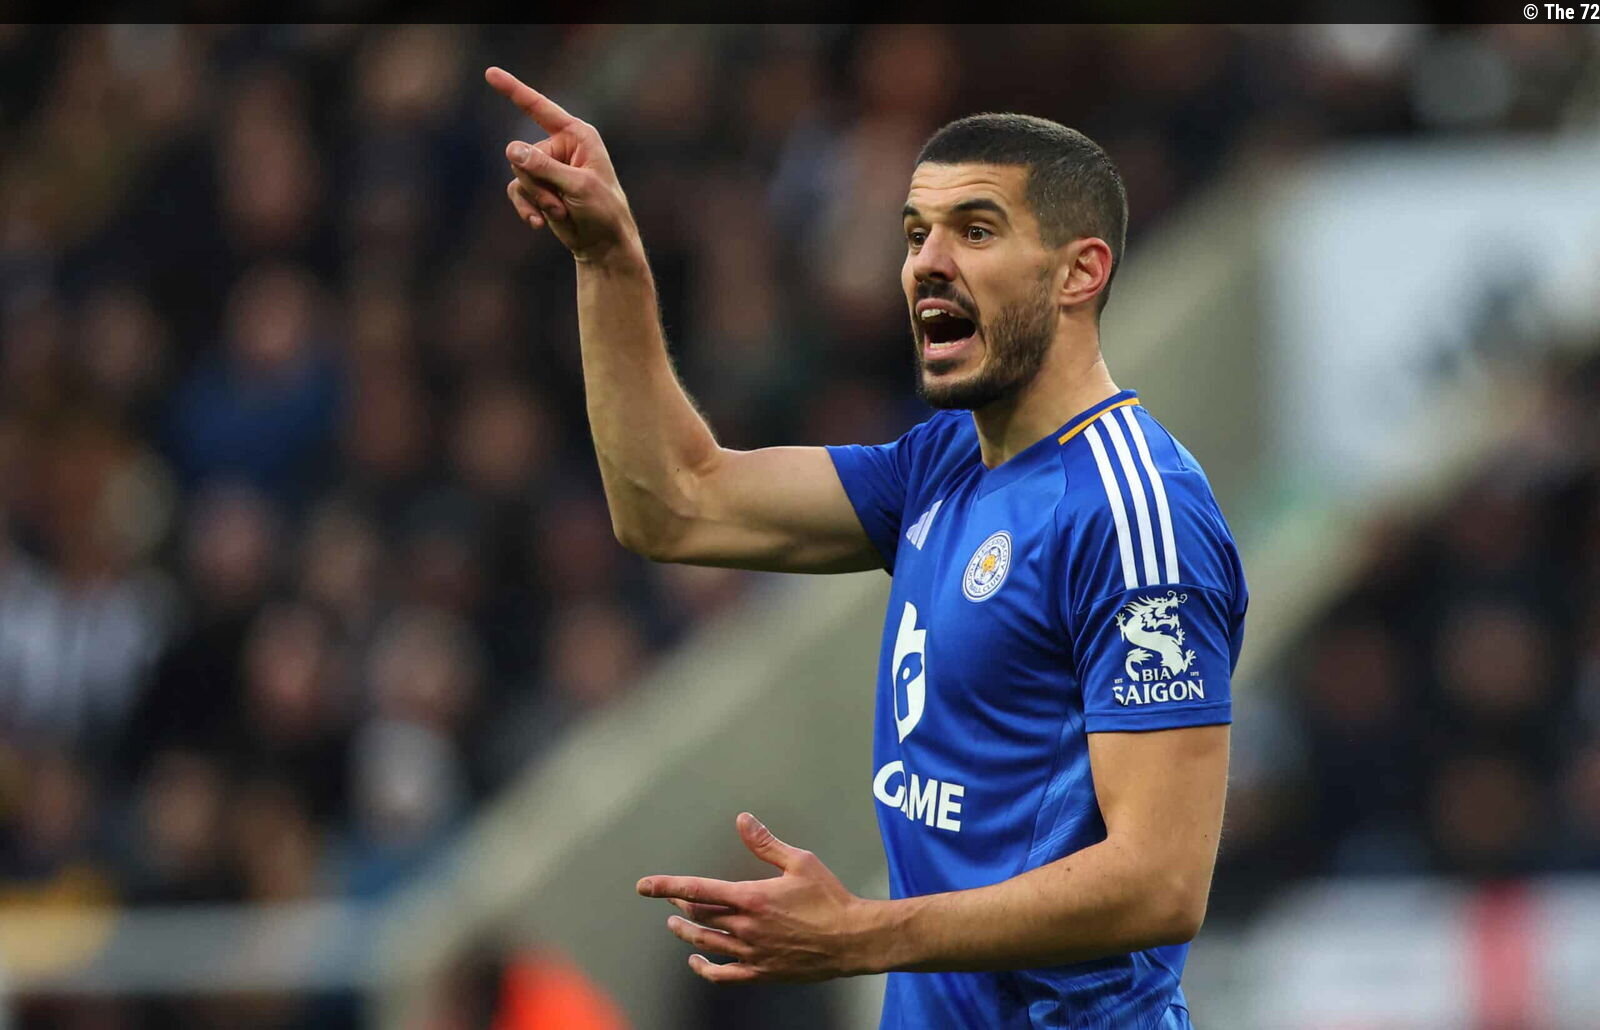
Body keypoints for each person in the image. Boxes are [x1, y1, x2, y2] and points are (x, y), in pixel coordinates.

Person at [486, 65, 1247, 1030]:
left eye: (975, 230)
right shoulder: (943, 464)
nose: (928, 262)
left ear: (1079, 272)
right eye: (915, 233)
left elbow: (1160, 884)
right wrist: (608, 258)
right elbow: (674, 505)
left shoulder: (1136, 514)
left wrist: (862, 935)